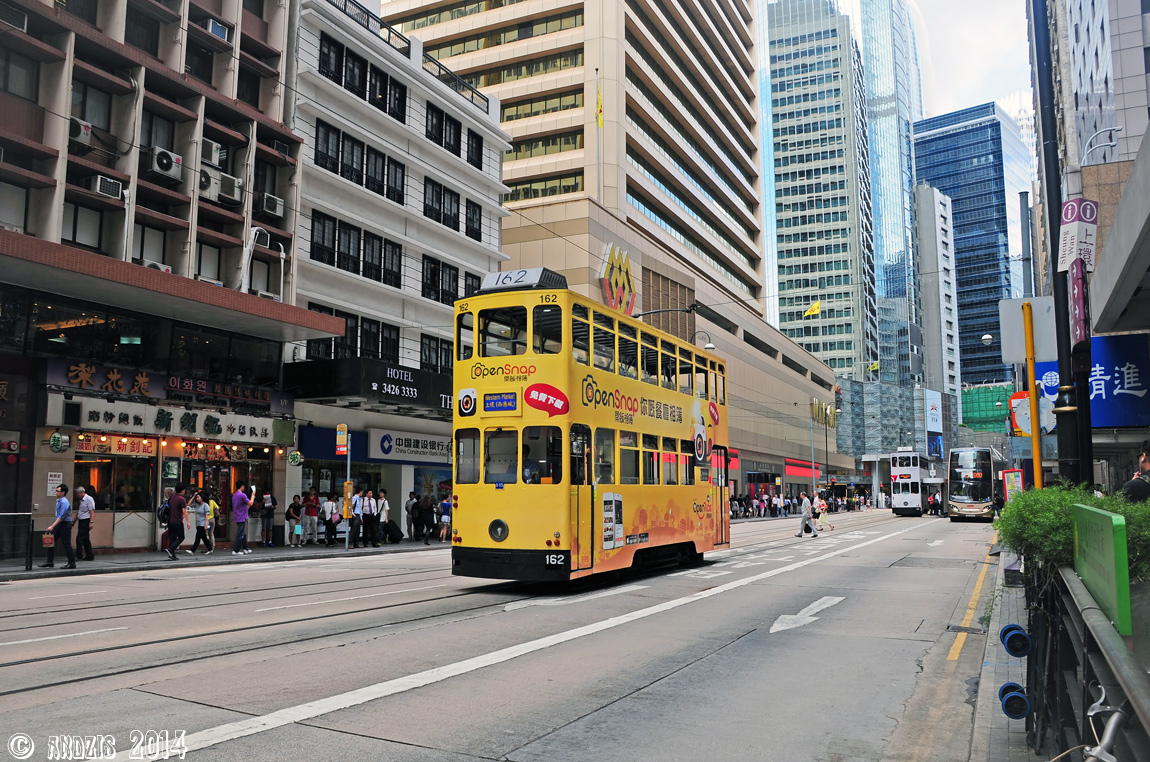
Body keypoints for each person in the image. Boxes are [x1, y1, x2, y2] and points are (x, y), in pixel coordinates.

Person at [40, 484, 77, 569]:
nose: (56, 492)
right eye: (56, 490)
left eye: (58, 491)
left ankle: (72, 563)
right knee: (51, 541)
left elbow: (61, 516)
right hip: (60, 524)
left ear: (63, 492)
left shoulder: (64, 502)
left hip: (65, 524)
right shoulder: (59, 501)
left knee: (66, 543)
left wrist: (52, 526)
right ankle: (49, 561)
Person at [166, 483, 189, 561]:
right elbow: (184, 511)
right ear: (182, 490)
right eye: (184, 490)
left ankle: (172, 555)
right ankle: (171, 549)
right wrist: (188, 522)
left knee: (172, 538)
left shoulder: (172, 498)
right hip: (177, 521)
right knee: (181, 537)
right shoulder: (182, 499)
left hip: (170, 521)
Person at [74, 485, 96, 561]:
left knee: (79, 538)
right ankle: (90, 555)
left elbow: (92, 511)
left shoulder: (89, 499)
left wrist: (91, 522)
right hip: (81, 520)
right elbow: (79, 512)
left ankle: (78, 555)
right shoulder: (81, 500)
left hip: (86, 520)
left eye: (77, 493)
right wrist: (74, 521)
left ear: (81, 492)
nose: (76, 495)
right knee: (86, 539)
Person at [232, 481, 252, 555]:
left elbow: (240, 505)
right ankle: (236, 550)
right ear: (242, 486)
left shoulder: (234, 495)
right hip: (242, 516)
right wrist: (253, 495)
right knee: (240, 533)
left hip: (237, 516)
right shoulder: (242, 495)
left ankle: (245, 548)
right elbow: (250, 503)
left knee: (243, 533)